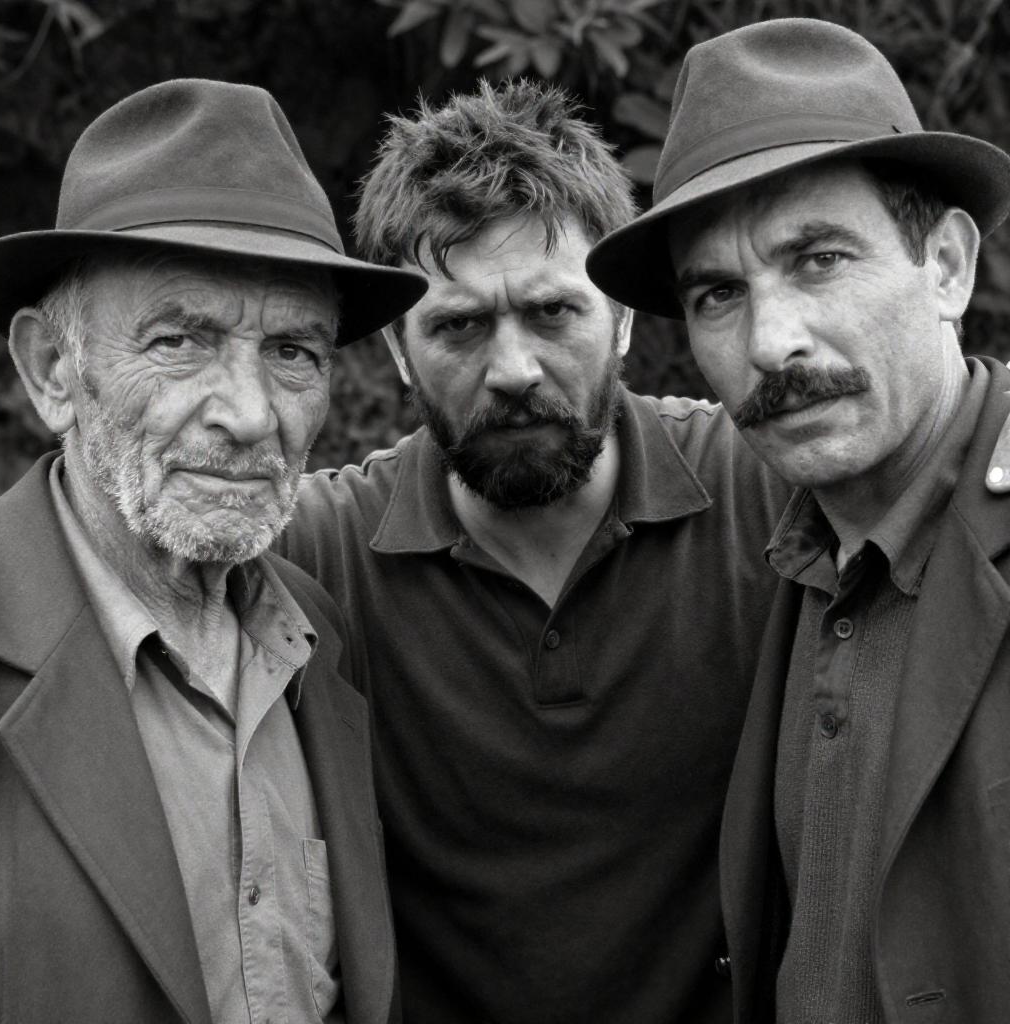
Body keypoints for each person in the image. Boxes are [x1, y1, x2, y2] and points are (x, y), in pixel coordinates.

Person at [278, 79, 787, 1024]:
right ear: (397, 349)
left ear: (624, 318)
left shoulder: (767, 487)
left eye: (553, 312)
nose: (512, 371)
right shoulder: (315, 555)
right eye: (459, 326)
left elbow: (929, 442)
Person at [587, 18, 1010, 1023]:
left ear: (947, 266)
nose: (772, 341)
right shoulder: (792, 551)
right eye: (718, 294)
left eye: (819, 259)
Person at [0, 79, 426, 1024]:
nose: (251, 415)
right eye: (180, 339)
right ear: (53, 371)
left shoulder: (316, 638)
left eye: (293, 352)